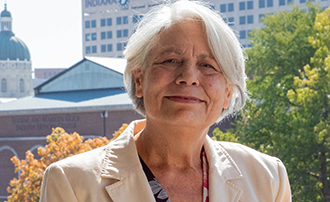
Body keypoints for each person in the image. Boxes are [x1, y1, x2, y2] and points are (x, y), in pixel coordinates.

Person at [39, 1, 291, 201]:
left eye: (208, 65)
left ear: (227, 92)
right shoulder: (72, 183)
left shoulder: (268, 178)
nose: (189, 77)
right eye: (171, 60)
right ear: (139, 80)